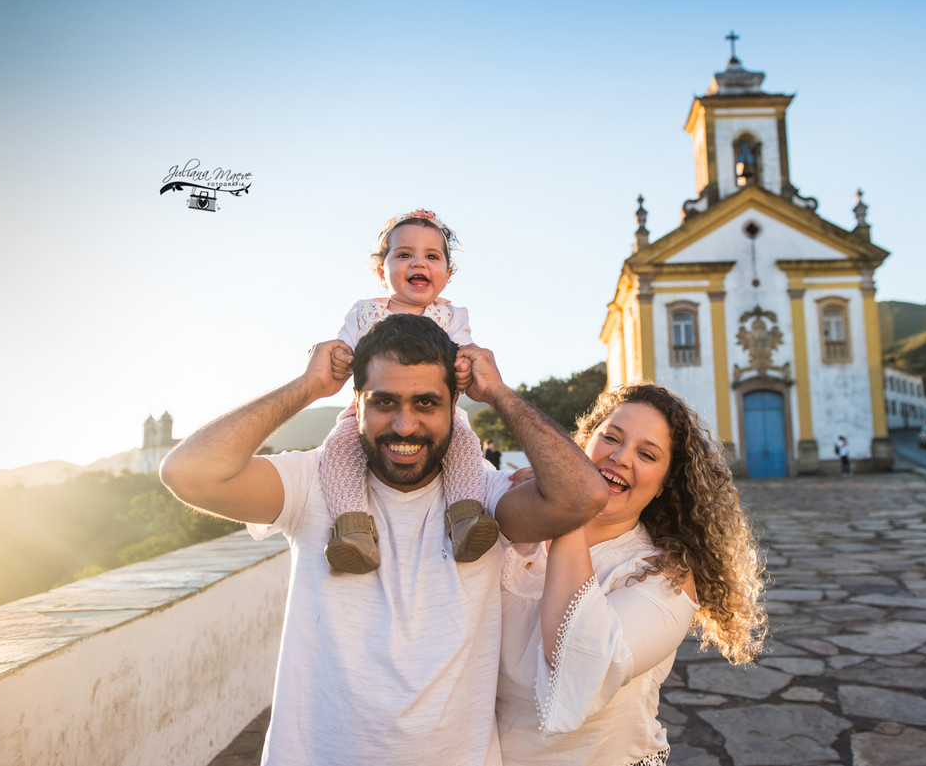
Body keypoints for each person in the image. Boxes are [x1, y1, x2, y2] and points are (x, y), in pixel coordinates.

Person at [160, 314, 609, 765]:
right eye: (384, 402)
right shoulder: (312, 483)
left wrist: (498, 393)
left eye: (427, 404)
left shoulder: (483, 495)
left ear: (455, 406)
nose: (404, 426)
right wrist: (307, 386)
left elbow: (582, 496)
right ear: (356, 402)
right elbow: (188, 473)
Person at [496, 383, 766, 765]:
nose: (621, 457)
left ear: (663, 486)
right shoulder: (518, 534)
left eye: (647, 454)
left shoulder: (663, 576)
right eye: (610, 437)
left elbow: (577, 662)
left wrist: (569, 510)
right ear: (583, 443)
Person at [321, 208, 497, 574]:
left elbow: (464, 353)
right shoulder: (365, 312)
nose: (419, 262)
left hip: (436, 415)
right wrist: (333, 357)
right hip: (367, 415)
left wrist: (465, 365)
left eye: (432, 256)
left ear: (447, 273)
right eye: (404, 254)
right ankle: (353, 530)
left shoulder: (451, 317)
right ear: (380, 269)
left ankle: (465, 519)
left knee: (464, 444)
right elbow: (343, 351)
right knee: (337, 449)